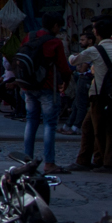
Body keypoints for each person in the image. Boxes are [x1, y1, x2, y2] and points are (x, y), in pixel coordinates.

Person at [72, 17, 112, 173]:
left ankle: (107, 163)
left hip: (99, 94)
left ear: (96, 33)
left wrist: (72, 56)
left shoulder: (95, 50)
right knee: (104, 127)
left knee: (99, 129)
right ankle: (88, 160)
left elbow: (75, 61)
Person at [16, 13, 69, 173]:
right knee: (49, 125)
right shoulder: (55, 42)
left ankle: (26, 160)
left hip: (28, 86)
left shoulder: (29, 37)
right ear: (54, 26)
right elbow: (63, 67)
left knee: (31, 121)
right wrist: (65, 82)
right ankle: (49, 162)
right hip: (47, 86)